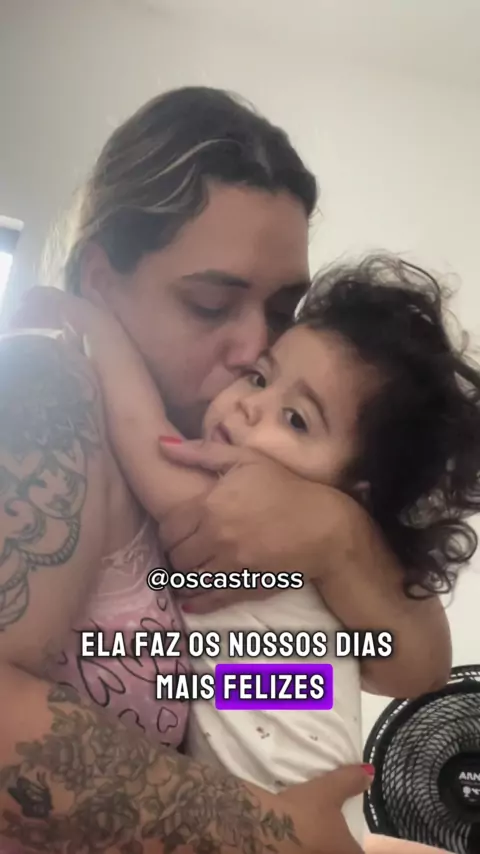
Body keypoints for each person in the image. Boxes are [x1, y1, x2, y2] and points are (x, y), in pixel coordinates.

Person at [0, 87, 451, 853]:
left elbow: (415, 668)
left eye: (281, 312)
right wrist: (272, 828)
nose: (252, 351)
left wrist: (336, 537)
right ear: (101, 281)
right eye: (211, 304)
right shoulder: (45, 390)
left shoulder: (247, 459)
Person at [35, 254, 480, 847]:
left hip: (285, 821)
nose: (250, 404)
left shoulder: (246, 517)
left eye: (295, 420)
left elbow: (141, 430)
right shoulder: (337, 562)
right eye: (260, 379)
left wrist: (93, 321)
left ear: (354, 492)